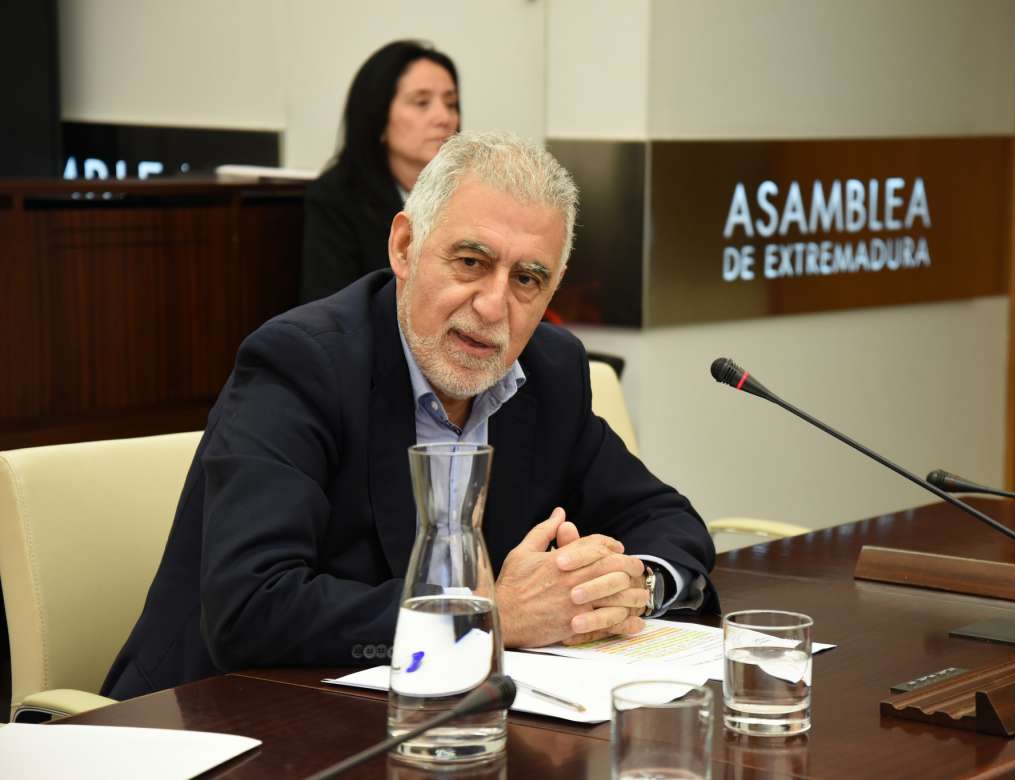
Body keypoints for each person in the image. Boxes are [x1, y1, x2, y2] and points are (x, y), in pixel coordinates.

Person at [103, 132, 718, 700]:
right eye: (471, 261)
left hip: (439, 715)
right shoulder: (301, 364)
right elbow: (251, 609)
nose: (493, 306)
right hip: (215, 720)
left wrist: (629, 586)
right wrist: (486, 615)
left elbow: (665, 519)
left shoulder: (551, 371)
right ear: (405, 247)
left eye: (527, 279)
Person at [299, 40, 460, 304]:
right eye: (422, 102)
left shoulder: (467, 190)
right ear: (378, 119)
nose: (444, 118)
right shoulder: (338, 196)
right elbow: (329, 306)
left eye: (451, 104)